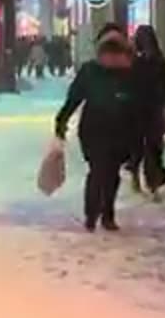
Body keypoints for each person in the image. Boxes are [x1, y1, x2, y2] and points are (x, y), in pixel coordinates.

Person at [54, 23, 138, 232]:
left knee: (99, 172)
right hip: (115, 129)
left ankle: (94, 214)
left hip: (97, 128)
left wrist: (62, 120)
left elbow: (74, 98)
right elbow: (142, 104)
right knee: (107, 172)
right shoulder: (128, 72)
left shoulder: (93, 71)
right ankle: (104, 214)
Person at [127, 25, 165, 199]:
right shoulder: (153, 60)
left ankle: (147, 180)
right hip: (147, 109)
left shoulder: (140, 60)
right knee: (147, 147)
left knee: (147, 147)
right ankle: (147, 181)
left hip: (144, 109)